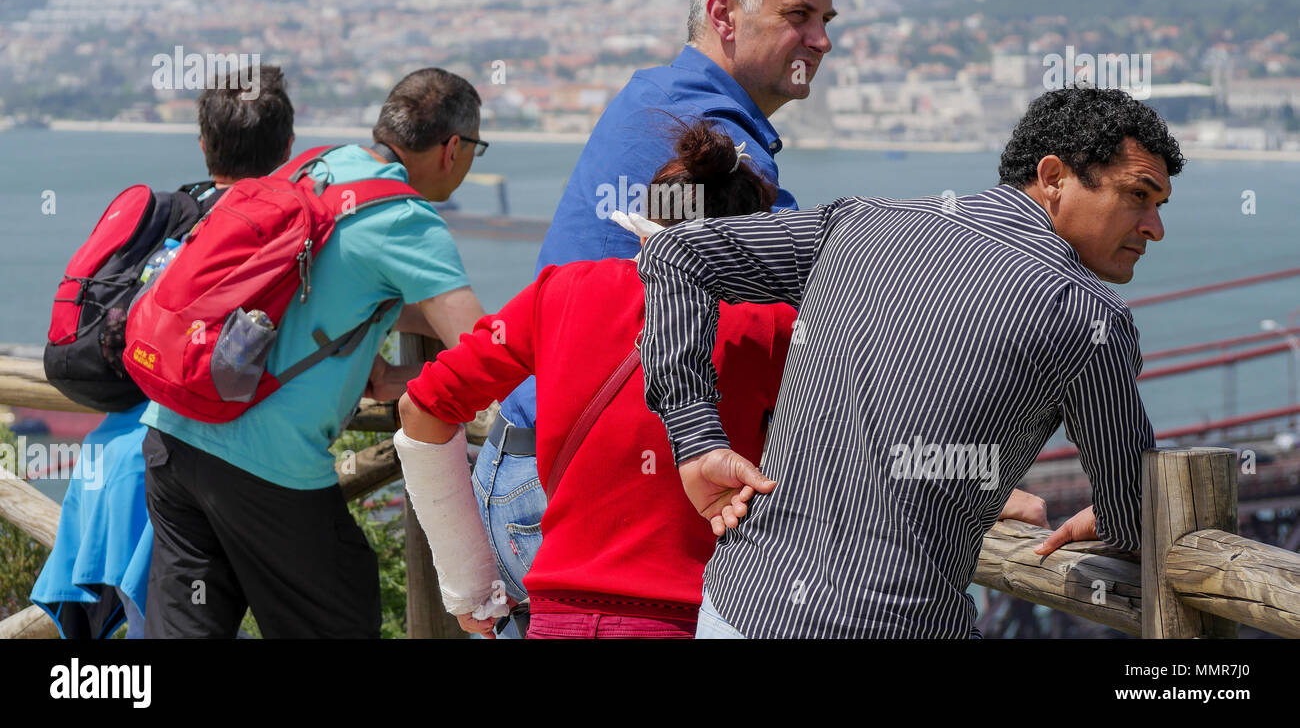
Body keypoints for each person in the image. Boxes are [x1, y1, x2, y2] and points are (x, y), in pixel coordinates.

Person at [392, 119, 1051, 639]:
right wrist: (990, 488)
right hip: (693, 616)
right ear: (752, 241)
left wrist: (469, 587)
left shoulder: (560, 293)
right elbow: (887, 429)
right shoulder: (769, 326)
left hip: (558, 615)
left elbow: (423, 411)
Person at [637, 86, 1185, 638]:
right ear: (1053, 177)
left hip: (740, 611)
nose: (1154, 228)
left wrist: (696, 439)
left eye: (1158, 205)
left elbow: (674, 252)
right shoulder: (1087, 316)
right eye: (1138, 196)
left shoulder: (860, 226)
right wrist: (1114, 516)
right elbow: (1134, 513)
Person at [478, 0, 839, 634]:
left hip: (525, 465)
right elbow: (818, 314)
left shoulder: (653, 98)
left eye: (826, 19)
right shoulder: (725, 154)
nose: (822, 41)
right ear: (723, 14)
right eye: (799, 15)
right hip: (584, 503)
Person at [139, 66, 488, 638]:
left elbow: (317, 287)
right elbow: (483, 350)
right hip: (265, 465)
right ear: (452, 148)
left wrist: (382, 370)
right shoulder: (405, 219)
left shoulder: (313, 165)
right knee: (340, 616)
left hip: (173, 432)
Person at [31, 65, 296, 638]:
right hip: (176, 472)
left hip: (110, 461)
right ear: (288, 148)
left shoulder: (177, 224)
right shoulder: (278, 239)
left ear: (203, 144)